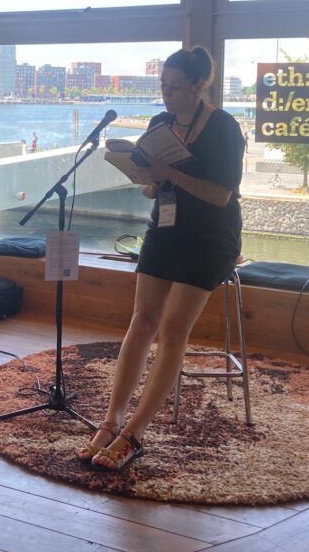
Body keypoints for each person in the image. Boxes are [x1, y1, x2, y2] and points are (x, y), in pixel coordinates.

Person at [78, 47, 244, 472]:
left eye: (174, 88)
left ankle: (135, 432)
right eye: (162, 87)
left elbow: (220, 194)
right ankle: (112, 418)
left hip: (210, 236)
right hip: (166, 229)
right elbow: (153, 190)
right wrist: (146, 178)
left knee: (172, 329)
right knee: (142, 319)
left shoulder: (223, 127)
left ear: (198, 86)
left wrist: (169, 174)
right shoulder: (159, 125)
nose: (167, 95)